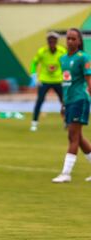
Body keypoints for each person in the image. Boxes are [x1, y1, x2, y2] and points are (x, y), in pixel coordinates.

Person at [52, 28, 91, 183]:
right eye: (68, 38)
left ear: (79, 41)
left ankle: (66, 173)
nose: (70, 41)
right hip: (69, 101)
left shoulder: (83, 58)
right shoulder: (63, 59)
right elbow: (65, 83)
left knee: (72, 136)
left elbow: (89, 81)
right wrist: (63, 104)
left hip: (80, 99)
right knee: (79, 137)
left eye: (73, 39)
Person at [30, 32, 67, 131]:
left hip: (58, 79)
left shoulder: (62, 51)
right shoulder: (42, 51)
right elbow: (34, 63)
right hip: (44, 80)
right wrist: (34, 76)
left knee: (64, 102)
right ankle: (34, 122)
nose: (52, 42)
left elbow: (67, 64)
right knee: (40, 101)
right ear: (47, 41)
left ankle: (66, 121)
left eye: (53, 40)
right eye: (50, 40)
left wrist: (66, 77)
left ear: (56, 41)